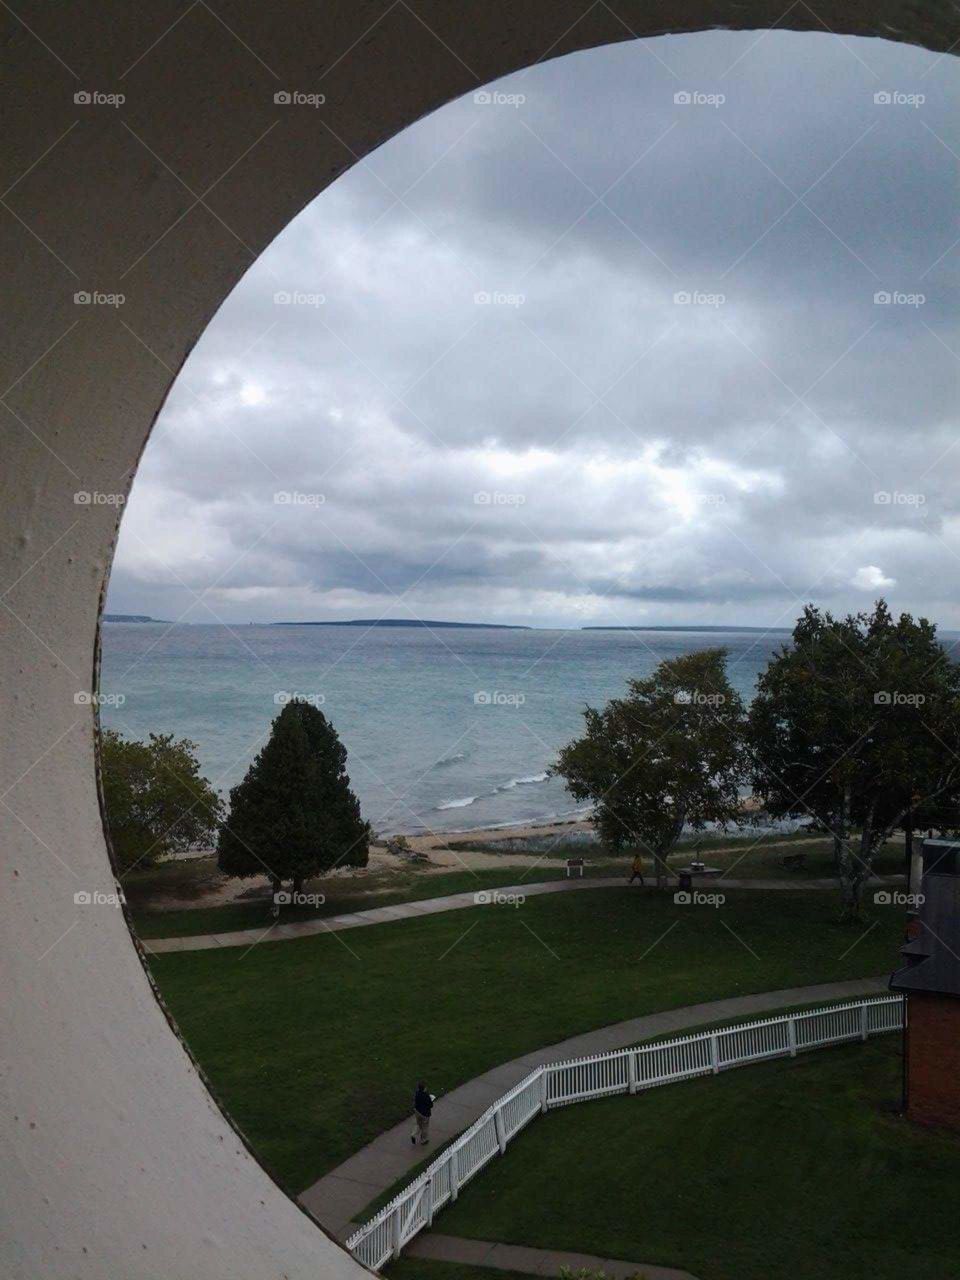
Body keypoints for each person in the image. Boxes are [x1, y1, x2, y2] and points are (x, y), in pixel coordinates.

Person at [411, 1081, 433, 1145]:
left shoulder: (417, 1093)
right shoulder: (426, 1096)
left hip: (417, 1112)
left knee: (418, 1124)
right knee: (425, 1127)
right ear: (424, 1088)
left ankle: (413, 1134)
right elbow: (430, 1105)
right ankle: (423, 1140)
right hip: (425, 1114)